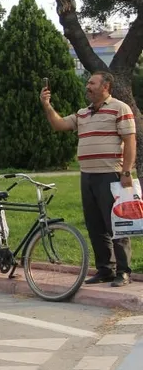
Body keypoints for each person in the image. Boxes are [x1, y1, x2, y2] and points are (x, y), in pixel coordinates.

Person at [41, 71, 135, 287]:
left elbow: (130, 141)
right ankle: (105, 270)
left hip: (110, 175)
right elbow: (59, 125)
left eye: (92, 83)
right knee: (95, 226)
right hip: (87, 175)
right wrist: (47, 105)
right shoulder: (83, 113)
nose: (87, 86)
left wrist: (127, 171)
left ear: (106, 86)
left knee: (116, 225)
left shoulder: (120, 108)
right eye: (87, 83)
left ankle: (123, 271)